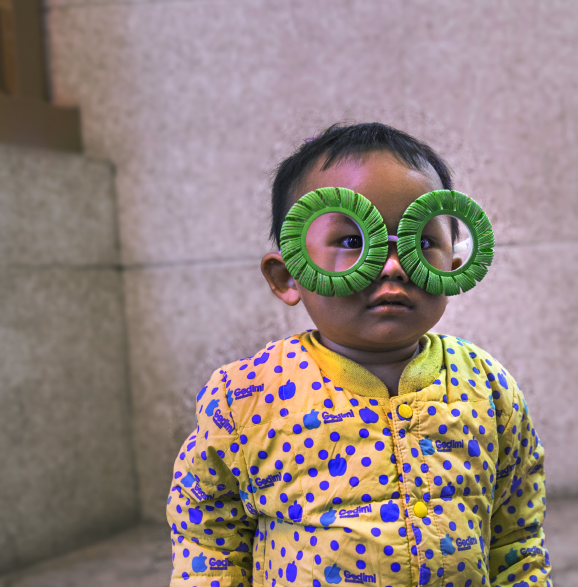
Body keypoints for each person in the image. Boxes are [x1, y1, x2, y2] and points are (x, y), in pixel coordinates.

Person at [166, 123, 552, 587]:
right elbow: (209, 537)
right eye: (352, 242)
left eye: (423, 242)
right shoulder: (246, 398)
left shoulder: (489, 388)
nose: (393, 265)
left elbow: (515, 537)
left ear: (454, 262)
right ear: (288, 277)